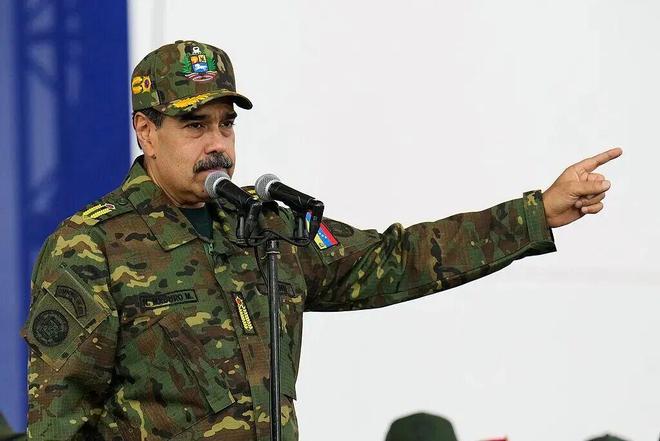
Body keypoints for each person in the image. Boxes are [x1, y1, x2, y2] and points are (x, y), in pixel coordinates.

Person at [22, 40, 622, 441]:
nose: (218, 143)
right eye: (195, 125)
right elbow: (60, 416)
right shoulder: (91, 245)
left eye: (227, 124)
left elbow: (394, 259)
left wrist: (535, 214)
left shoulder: (267, 225)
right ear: (146, 131)